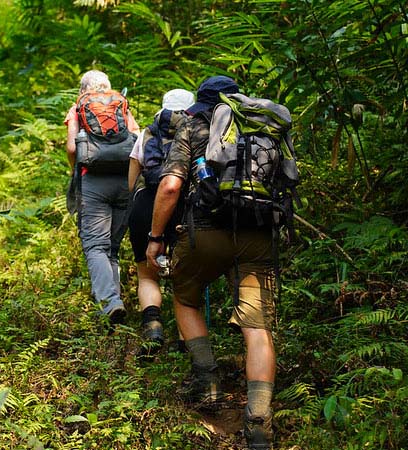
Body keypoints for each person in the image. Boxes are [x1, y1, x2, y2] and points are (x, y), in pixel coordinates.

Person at [145, 75, 277, 449]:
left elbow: (171, 185)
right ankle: (258, 422)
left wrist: (156, 238)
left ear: (199, 102)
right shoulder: (259, 123)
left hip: (204, 231)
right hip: (257, 234)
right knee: (258, 324)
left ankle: (208, 383)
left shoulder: (193, 124)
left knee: (185, 296)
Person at [64, 70, 141, 325]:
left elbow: (72, 147)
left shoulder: (79, 108)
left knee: (95, 246)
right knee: (112, 248)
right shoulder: (121, 105)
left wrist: (75, 168)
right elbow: (137, 137)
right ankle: (112, 305)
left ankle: (110, 302)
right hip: (124, 180)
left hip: (94, 181)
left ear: (82, 89)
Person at [127, 88, 194, 354]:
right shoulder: (197, 131)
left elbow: (131, 182)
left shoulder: (147, 133)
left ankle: (153, 325)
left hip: (146, 204)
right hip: (182, 206)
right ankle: (185, 338)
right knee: (185, 274)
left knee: (147, 273)